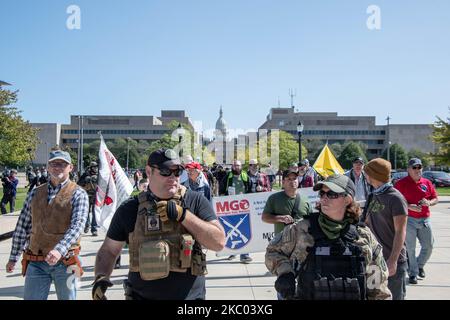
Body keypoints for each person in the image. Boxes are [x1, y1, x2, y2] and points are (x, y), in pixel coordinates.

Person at [92, 148, 225, 300]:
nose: (173, 177)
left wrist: (184, 216)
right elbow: (109, 250)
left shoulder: (195, 201)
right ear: (149, 172)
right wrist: (101, 277)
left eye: (177, 172)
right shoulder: (130, 209)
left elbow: (219, 242)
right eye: (165, 171)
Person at [265, 174, 391, 300]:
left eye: (331, 194)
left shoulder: (363, 236)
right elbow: (273, 251)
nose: (324, 198)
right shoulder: (301, 229)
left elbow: (378, 286)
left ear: (347, 200)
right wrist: (285, 273)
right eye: (322, 194)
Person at [5, 150, 88, 300]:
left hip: (67, 262)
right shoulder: (35, 193)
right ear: (48, 167)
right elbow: (22, 227)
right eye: (53, 164)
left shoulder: (78, 193)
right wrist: (13, 257)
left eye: (62, 164)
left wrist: (58, 250)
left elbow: (77, 226)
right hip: (36, 262)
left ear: (71, 167)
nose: (57, 167)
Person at [362, 158, 408, 300]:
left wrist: (393, 261)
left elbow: (401, 232)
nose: (365, 176)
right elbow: (367, 223)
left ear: (374, 175)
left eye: (367, 173)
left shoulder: (395, 198)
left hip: (391, 261)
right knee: (375, 297)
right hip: (375, 262)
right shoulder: (374, 195)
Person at [394, 158, 439, 285]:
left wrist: (429, 202)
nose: (417, 170)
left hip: (425, 219)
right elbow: (396, 200)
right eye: (414, 167)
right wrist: (409, 206)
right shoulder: (400, 183)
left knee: (429, 245)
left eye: (419, 167)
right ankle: (413, 273)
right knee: (411, 248)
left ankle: (419, 265)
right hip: (409, 220)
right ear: (408, 169)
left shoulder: (427, 182)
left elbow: (435, 198)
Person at [262, 169, 311, 236]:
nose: (292, 181)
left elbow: (311, 222)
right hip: (282, 243)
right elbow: (265, 218)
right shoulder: (274, 198)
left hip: (301, 243)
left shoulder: (305, 200)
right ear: (283, 182)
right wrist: (281, 218)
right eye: (289, 179)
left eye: (294, 179)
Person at [224, 160, 252, 263]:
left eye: (238, 165)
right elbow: (222, 189)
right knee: (232, 231)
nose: (236, 167)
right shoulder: (228, 176)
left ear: (241, 167)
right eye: (234, 165)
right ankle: (232, 252)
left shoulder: (245, 176)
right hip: (230, 208)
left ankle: (245, 255)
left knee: (244, 230)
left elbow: (250, 189)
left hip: (244, 207)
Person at [78, 161, 99, 236]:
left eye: (96, 167)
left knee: (95, 213)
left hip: (95, 196)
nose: (95, 169)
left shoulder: (99, 175)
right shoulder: (85, 174)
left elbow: (103, 184)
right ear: (90, 168)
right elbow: (79, 183)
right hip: (86, 195)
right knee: (86, 212)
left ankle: (94, 229)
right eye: (94, 167)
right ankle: (87, 224)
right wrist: (85, 179)